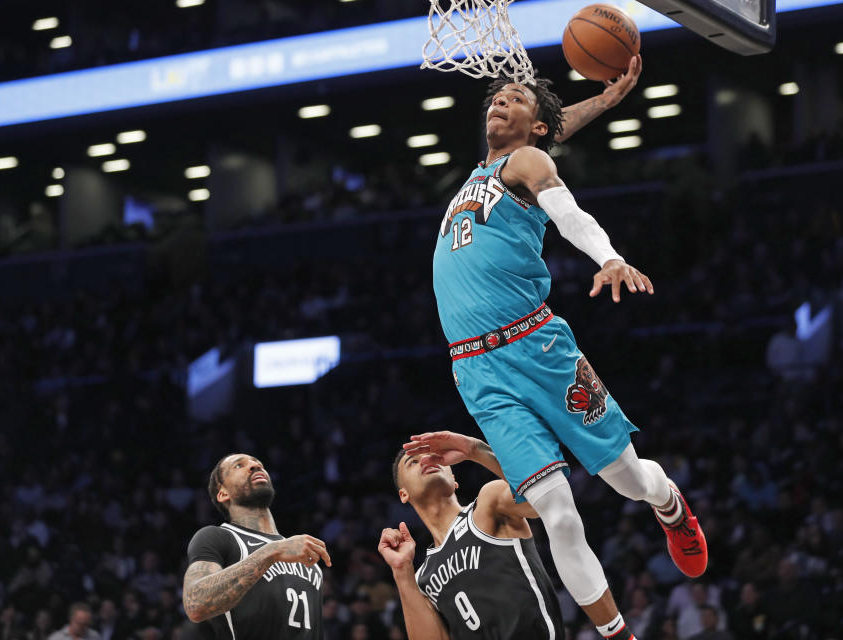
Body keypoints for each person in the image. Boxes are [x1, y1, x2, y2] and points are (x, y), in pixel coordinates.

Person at [428, 57, 707, 639]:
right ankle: (617, 635)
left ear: (535, 130)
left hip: (536, 346)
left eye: (515, 100)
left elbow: (568, 210)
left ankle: (669, 503)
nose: (499, 100)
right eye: (496, 97)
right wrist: (603, 102)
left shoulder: (526, 161)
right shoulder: (480, 172)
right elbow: (552, 125)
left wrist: (608, 257)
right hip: (476, 370)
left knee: (626, 479)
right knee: (556, 510)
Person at [381, 430, 604, 640]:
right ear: (404, 494)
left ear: (454, 478)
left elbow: (544, 500)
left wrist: (475, 451)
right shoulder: (422, 578)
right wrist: (401, 571)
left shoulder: (488, 504)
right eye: (413, 461)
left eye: (434, 456)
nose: (426, 461)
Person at [182, 453, 332, 639]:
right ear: (223, 493)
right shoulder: (218, 537)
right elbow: (196, 604)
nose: (254, 466)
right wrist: (272, 551)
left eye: (258, 463)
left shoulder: (302, 553)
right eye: (239, 465)